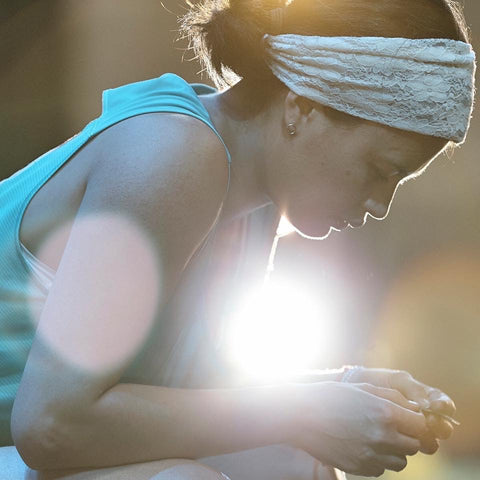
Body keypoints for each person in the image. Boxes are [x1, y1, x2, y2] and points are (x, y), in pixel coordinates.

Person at [0, 0, 476, 478]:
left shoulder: (257, 198)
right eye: (381, 171)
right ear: (302, 107)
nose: (380, 205)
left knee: (293, 462)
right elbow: (50, 425)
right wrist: (305, 409)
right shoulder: (172, 152)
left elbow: (188, 398)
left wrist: (340, 392)